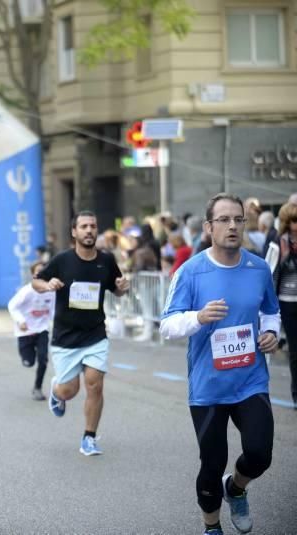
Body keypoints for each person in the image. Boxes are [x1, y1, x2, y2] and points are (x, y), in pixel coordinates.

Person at [160, 193, 280, 535]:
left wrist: (271, 333)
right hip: (208, 387)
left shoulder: (258, 268)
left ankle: (237, 488)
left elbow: (271, 311)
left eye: (238, 219)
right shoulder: (190, 271)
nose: (232, 226)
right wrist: (197, 317)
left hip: (250, 379)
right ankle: (211, 525)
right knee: (212, 464)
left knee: (260, 454)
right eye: (224, 220)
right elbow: (167, 325)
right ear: (209, 227)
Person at [32, 210, 129, 456]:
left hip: (95, 334)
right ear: (74, 232)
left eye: (93, 226)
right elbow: (36, 281)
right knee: (69, 390)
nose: (89, 230)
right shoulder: (62, 260)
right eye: (84, 226)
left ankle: (89, 437)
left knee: (94, 384)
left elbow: (116, 289)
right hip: (65, 338)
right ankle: (57, 391)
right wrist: (47, 285)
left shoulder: (106, 261)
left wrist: (122, 289)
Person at [8, 261, 55, 401]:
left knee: (43, 359)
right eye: (37, 272)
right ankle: (27, 356)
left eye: (43, 271)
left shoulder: (51, 292)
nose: (40, 274)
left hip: (42, 329)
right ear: (33, 274)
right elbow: (12, 305)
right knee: (29, 362)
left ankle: (37, 388)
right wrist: (20, 321)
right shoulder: (26, 291)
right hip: (25, 331)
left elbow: (54, 311)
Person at [274, 201, 297, 410]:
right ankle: (296, 393)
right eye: (293, 222)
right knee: (295, 350)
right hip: (288, 303)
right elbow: (273, 273)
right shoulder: (281, 243)